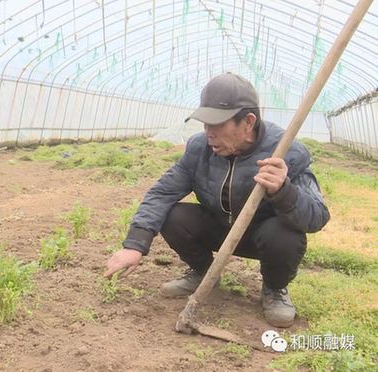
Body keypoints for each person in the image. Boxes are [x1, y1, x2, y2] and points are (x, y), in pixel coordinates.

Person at [104, 72, 330, 327]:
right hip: (219, 229)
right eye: (205, 124)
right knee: (174, 215)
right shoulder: (199, 148)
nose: (208, 133)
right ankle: (202, 272)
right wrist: (135, 244)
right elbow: (162, 193)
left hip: (261, 237)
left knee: (286, 233)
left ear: (248, 121)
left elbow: (317, 217)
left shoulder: (287, 152)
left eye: (217, 124)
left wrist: (284, 191)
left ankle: (274, 289)